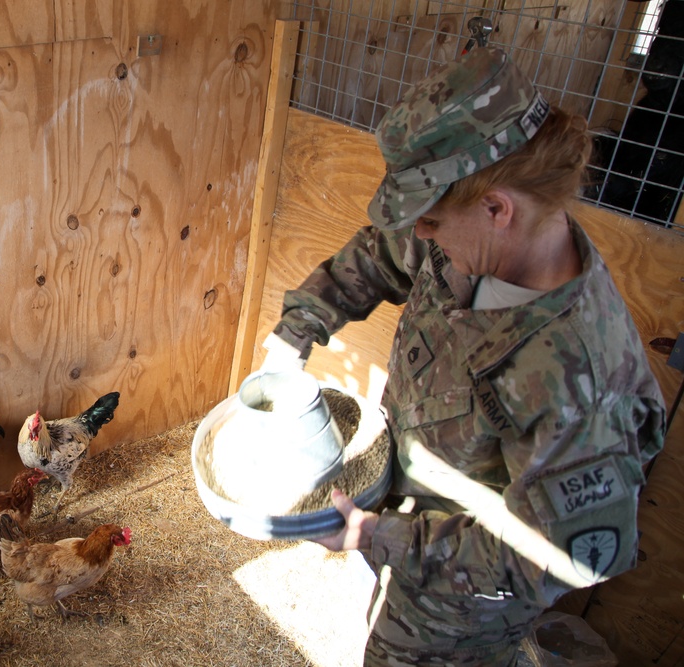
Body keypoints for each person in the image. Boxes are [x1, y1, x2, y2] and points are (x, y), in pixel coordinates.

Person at [262, 47, 666, 665]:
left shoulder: (579, 379)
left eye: (431, 222)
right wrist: (296, 332)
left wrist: (380, 536)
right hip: (414, 507)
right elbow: (383, 252)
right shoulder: (471, 236)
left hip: (469, 596)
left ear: (498, 208)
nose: (419, 235)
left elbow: (559, 556)